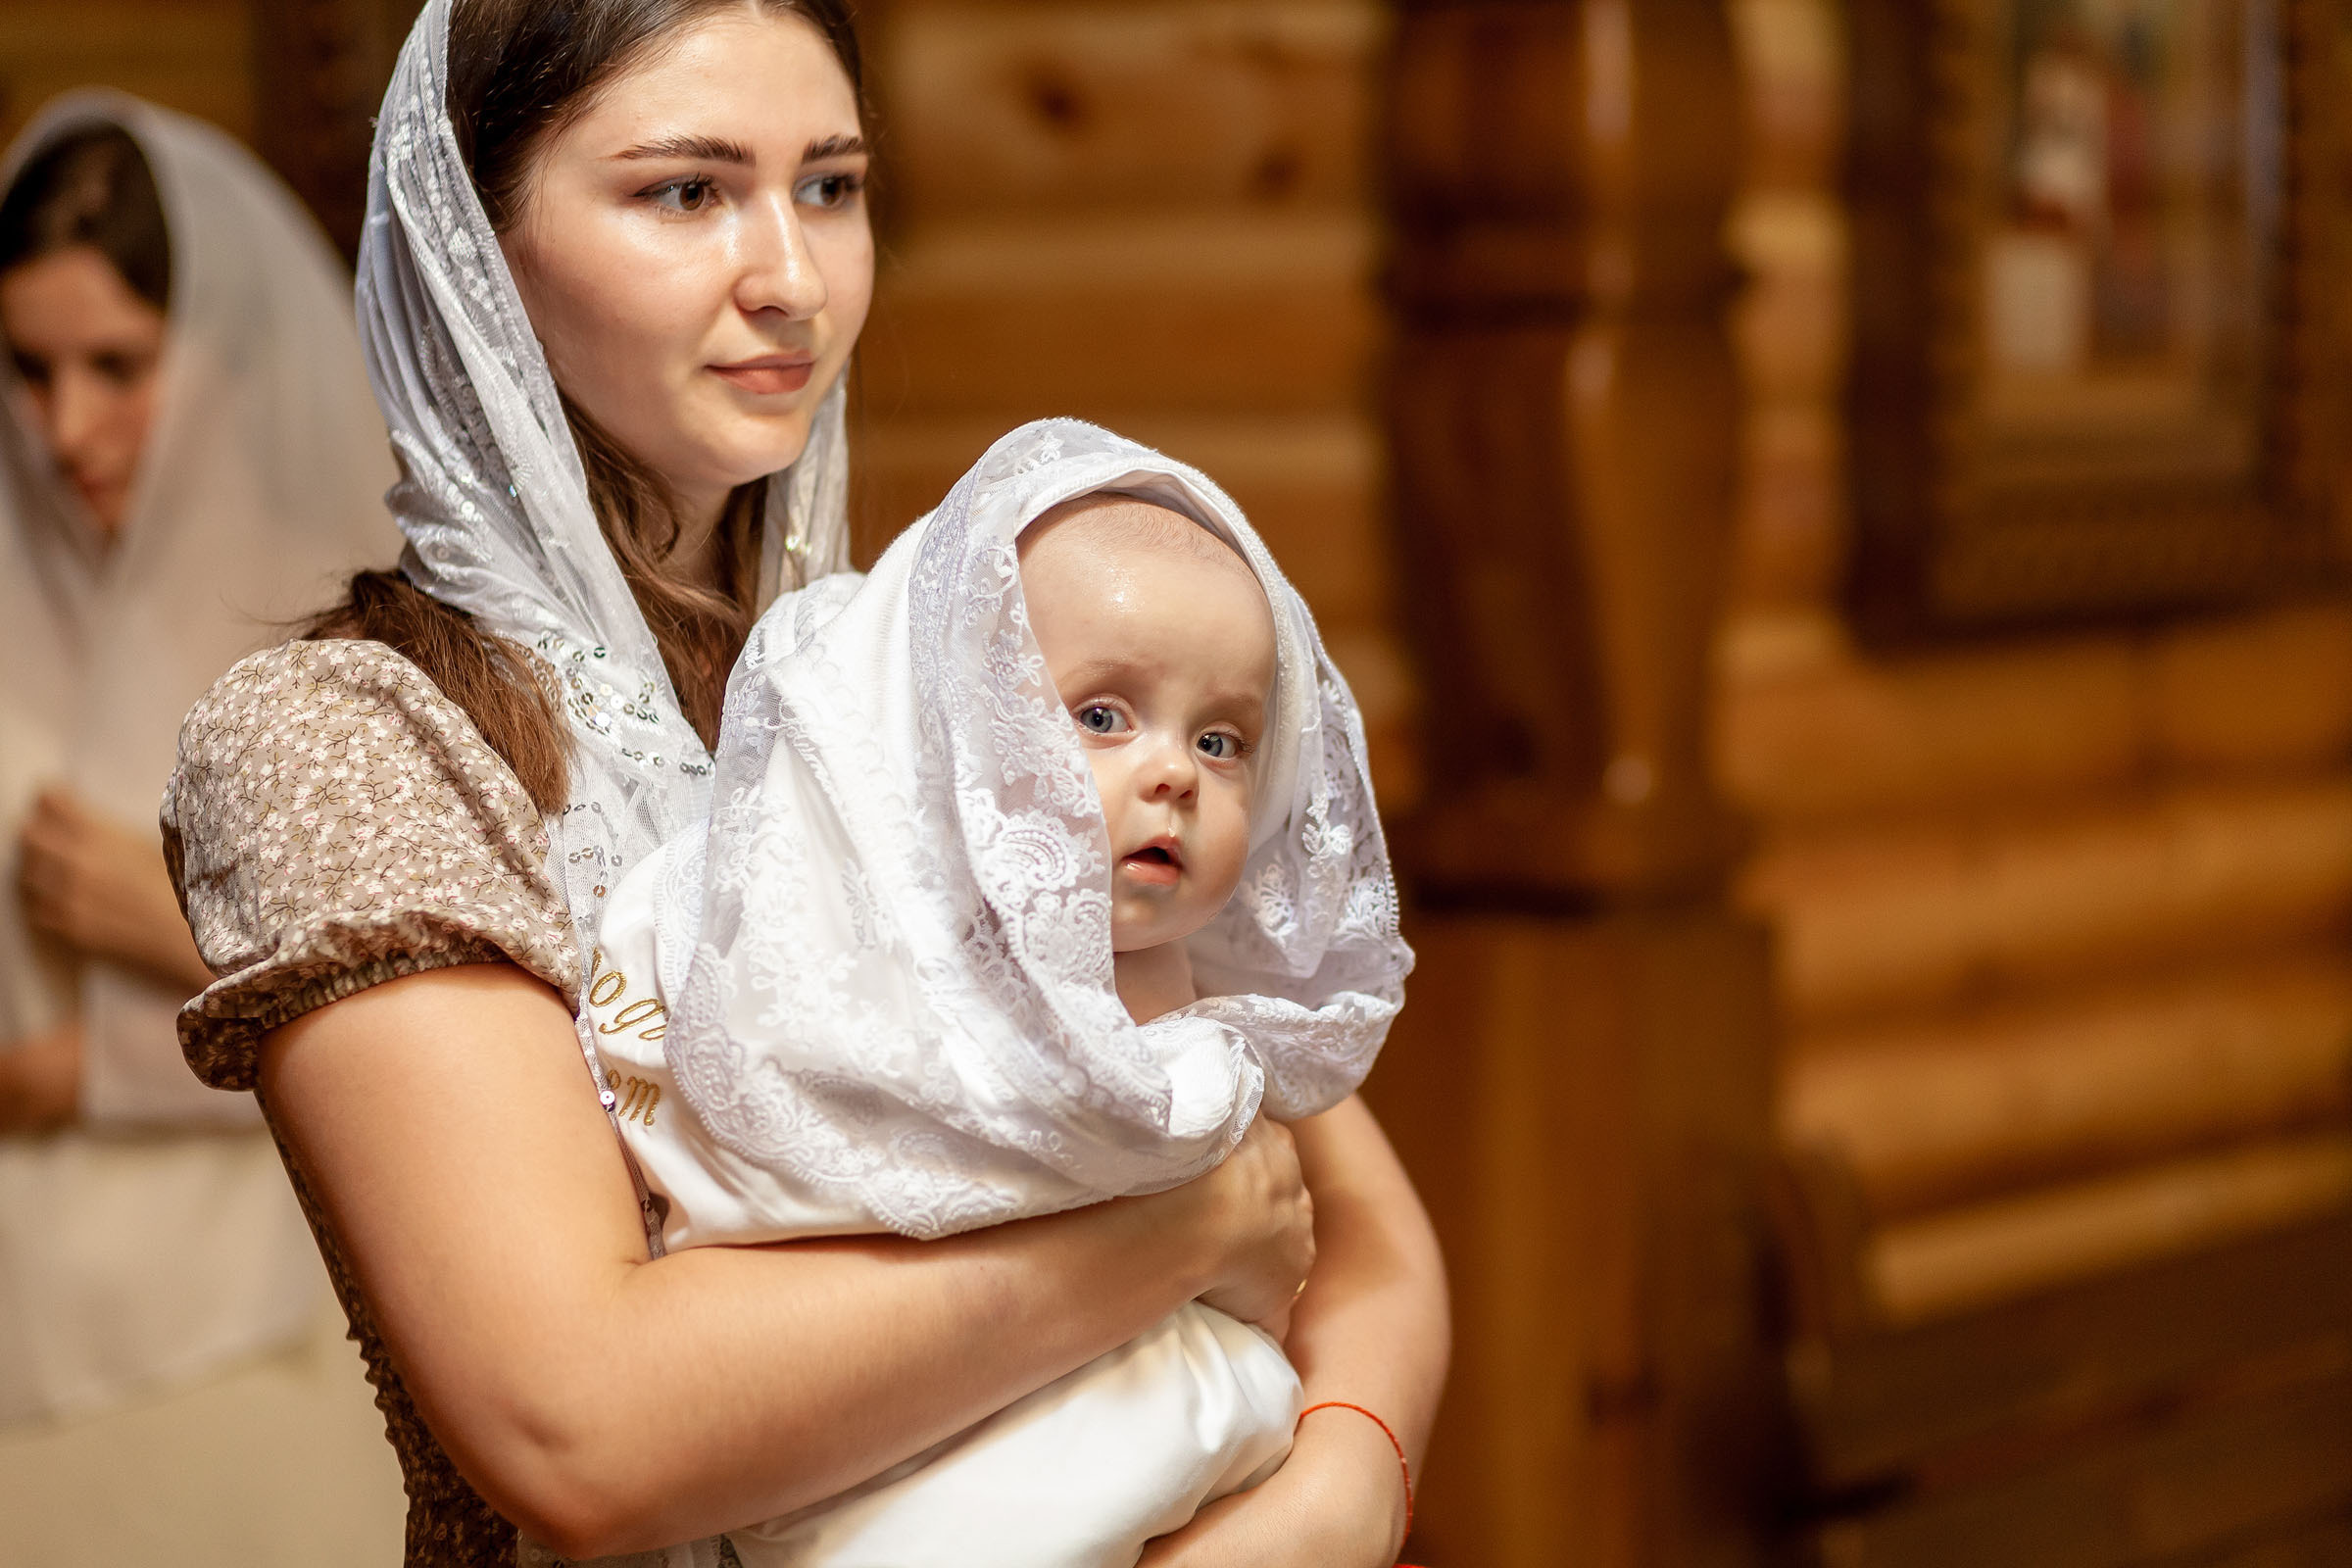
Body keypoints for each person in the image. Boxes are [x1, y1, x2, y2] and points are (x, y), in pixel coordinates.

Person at [163, 1, 1447, 1563]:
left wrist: (1338, 1496)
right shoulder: (347, 733)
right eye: (686, 191)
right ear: (475, 247)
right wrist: (1174, 1235)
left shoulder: (929, 653)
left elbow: (1354, 1212)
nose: (792, 276)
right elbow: (582, 1430)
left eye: (829, 186)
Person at [589, 422, 1412, 1565]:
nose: (1173, 772)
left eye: (1222, 740)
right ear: (962, 735)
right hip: (901, 1439)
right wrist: (1200, 1219)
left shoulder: (1212, 983)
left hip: (1178, 1457)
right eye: (1102, 716)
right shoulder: (868, 914)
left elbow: (1351, 1245)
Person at [0, 93, 407, 1556]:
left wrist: (153, 946)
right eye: (30, 369)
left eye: (117, 365)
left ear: (229, 356)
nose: (67, 427)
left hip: (273, 1317)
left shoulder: (348, 636)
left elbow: (450, 1033)